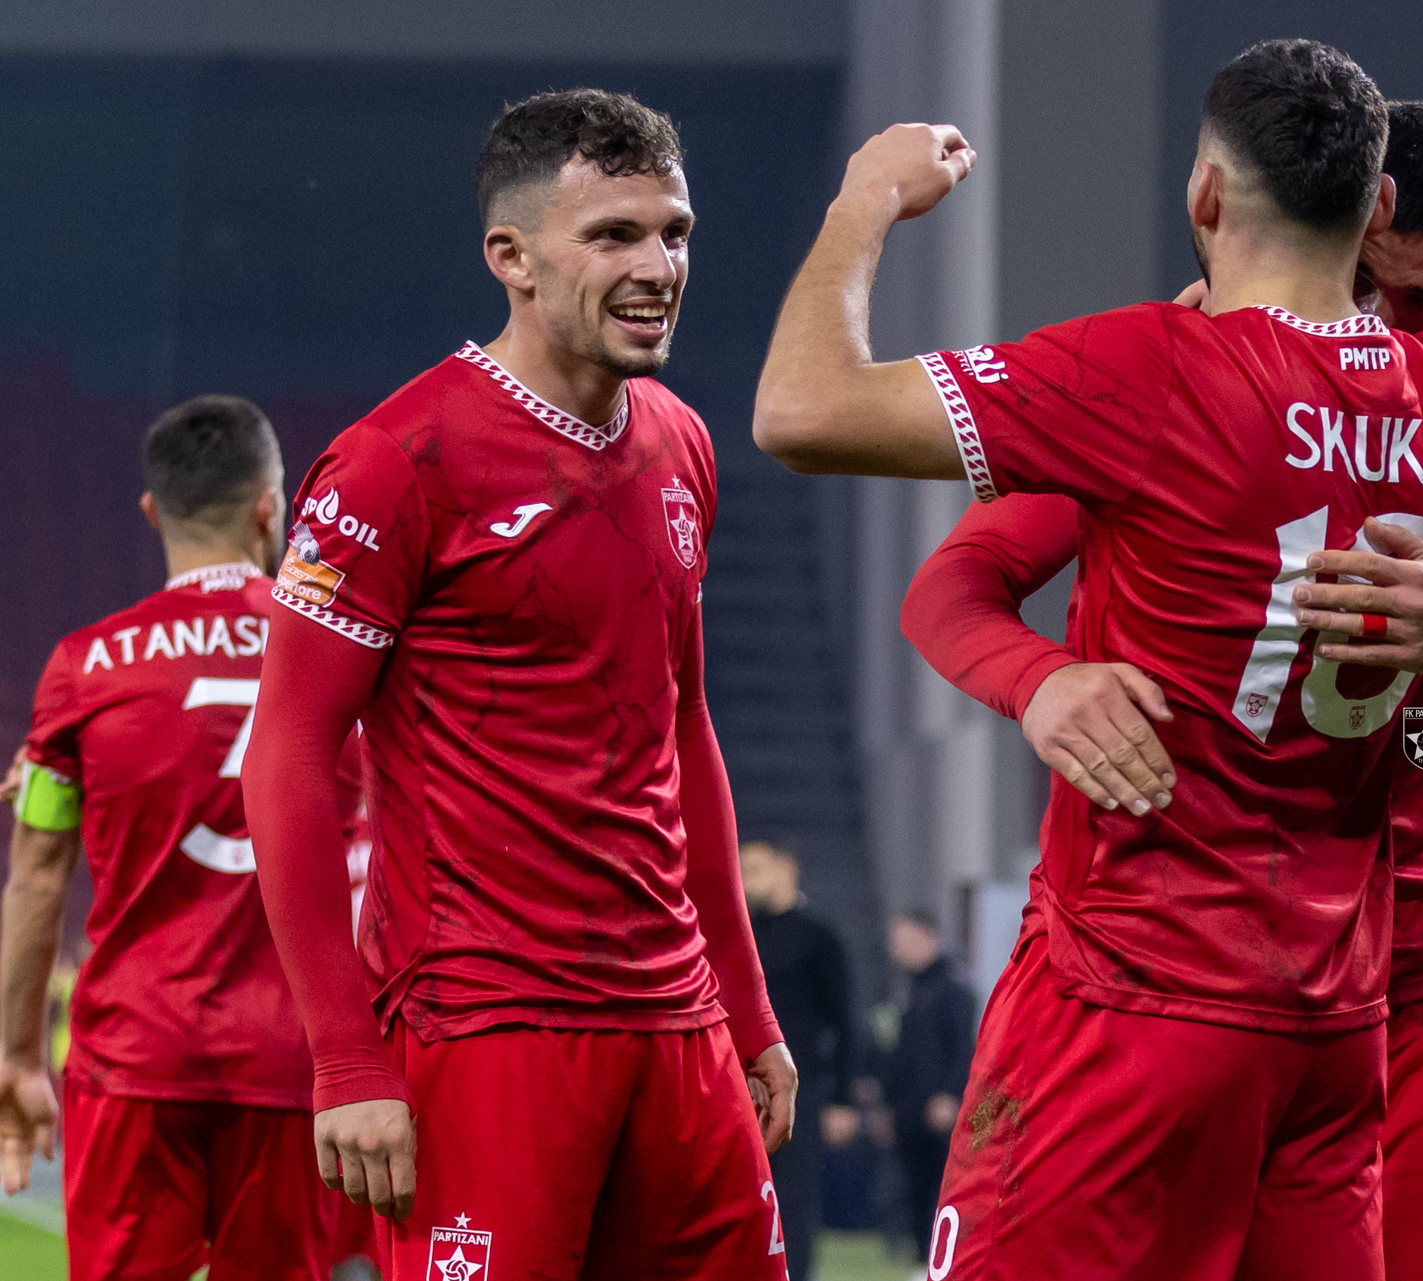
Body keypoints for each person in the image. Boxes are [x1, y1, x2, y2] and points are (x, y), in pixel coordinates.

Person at [753, 36, 1423, 1280]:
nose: (1397, 317)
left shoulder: (1157, 376)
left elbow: (802, 411)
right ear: (1370, 214)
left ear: (1208, 196)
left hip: (1272, 979)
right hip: (1327, 996)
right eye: (1378, 281)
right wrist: (1037, 677)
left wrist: (866, 200)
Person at [241, 90, 795, 1279]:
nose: (658, 267)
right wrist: (345, 1056)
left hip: (678, 1021)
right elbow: (285, 753)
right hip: (486, 1021)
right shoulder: (395, 463)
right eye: (614, 236)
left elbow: (684, 731)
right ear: (513, 258)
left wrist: (746, 1010)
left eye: (675, 233)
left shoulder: (683, 443)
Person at [0, 396, 373, 1278]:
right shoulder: (351, 657)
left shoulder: (83, 669)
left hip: (136, 1055)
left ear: (151, 511)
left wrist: (17, 1058)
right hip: (298, 1059)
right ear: (271, 508)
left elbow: (37, 874)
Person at [742, 839, 859, 1281]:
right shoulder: (742, 934)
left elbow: (844, 1022)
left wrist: (842, 1099)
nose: (745, 880)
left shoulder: (819, 937)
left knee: (794, 1196)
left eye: (754, 869)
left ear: (785, 869)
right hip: (742, 1087)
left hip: (800, 1090)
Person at [881, 911, 974, 1260]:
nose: (896, 948)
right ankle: (922, 1256)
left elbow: (963, 1047)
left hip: (938, 1106)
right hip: (908, 1106)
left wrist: (949, 1095)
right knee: (914, 1184)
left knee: (940, 1184)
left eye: (903, 939)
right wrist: (889, 1103)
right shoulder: (907, 989)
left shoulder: (954, 989)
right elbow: (898, 1052)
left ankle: (940, 1258)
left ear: (926, 937)